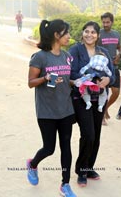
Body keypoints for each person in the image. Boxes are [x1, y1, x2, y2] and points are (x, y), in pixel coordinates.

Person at [26, 19, 77, 197]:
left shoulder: (66, 56)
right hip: (47, 111)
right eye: (66, 33)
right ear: (57, 35)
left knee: (66, 147)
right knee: (49, 148)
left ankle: (65, 184)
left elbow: (64, 80)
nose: (69, 36)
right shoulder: (40, 57)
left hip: (65, 109)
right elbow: (31, 83)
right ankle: (32, 164)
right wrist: (46, 78)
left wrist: (76, 82)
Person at [69, 21, 115, 187]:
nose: (89, 35)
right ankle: (81, 170)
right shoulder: (75, 50)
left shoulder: (103, 52)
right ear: (82, 33)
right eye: (86, 31)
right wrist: (90, 77)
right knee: (88, 134)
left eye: (93, 32)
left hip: (100, 99)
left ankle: (89, 168)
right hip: (82, 98)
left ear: (98, 35)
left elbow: (113, 74)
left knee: (96, 135)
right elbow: (71, 72)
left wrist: (108, 79)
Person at [98, 12, 121, 125]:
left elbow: (119, 48)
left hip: (114, 67)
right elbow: (95, 49)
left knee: (116, 92)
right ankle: (101, 116)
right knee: (104, 92)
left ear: (112, 22)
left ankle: (105, 108)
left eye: (107, 22)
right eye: (103, 22)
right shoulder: (98, 34)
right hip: (102, 68)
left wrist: (118, 55)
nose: (105, 24)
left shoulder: (116, 34)